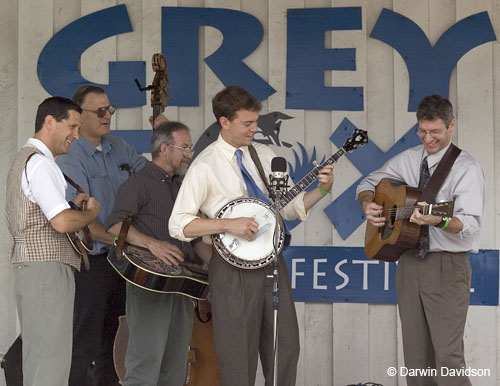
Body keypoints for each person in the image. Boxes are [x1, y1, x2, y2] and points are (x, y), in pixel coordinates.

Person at [169, 85, 334, 386]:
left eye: (256, 122)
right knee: (237, 356)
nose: (255, 129)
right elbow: (179, 225)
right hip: (231, 269)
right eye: (247, 123)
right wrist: (226, 225)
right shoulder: (204, 165)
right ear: (224, 122)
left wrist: (322, 190)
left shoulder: (265, 154)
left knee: (285, 347)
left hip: (272, 263)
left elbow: (290, 208)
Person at [356, 94, 484, 386]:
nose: (428, 138)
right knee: (415, 360)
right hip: (409, 263)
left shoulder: (467, 168)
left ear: (451, 126)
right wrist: (368, 204)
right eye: (423, 131)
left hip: (446, 265)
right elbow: (368, 183)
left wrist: (438, 219)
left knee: (448, 357)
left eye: (435, 131)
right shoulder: (409, 158)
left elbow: (471, 225)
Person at [106, 121, 212, 386]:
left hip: (182, 284)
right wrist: (152, 244)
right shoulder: (138, 183)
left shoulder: (181, 187)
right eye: (185, 147)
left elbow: (195, 239)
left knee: (176, 365)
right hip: (150, 283)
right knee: (145, 362)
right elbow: (115, 226)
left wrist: (219, 266)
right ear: (164, 149)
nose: (190, 153)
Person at [56, 86, 148, 386]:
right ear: (78, 117)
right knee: (85, 344)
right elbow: (84, 225)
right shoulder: (70, 157)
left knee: (117, 341)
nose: (107, 116)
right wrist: (134, 240)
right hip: (91, 264)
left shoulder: (119, 147)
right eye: (99, 111)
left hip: (122, 262)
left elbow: (153, 179)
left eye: (110, 109)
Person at [5, 96, 101, 386]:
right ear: (50, 122)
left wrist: (70, 203)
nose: (76, 134)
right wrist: (91, 213)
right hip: (47, 269)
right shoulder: (42, 165)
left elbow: (42, 214)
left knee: (40, 357)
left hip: (33, 267)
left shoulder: (28, 160)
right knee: (51, 361)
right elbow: (61, 223)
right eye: (72, 126)